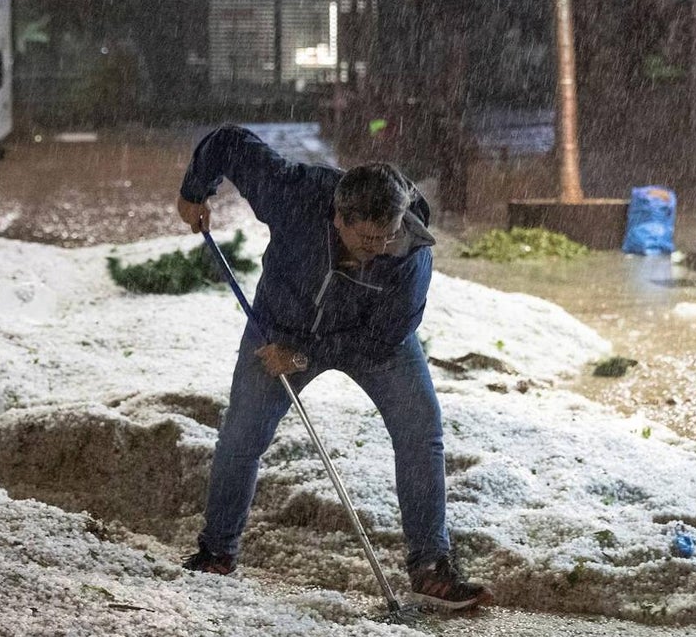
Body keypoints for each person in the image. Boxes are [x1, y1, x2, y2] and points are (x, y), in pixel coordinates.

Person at [176, 124, 492, 611]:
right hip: (281, 327)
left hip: (373, 341)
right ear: (337, 217)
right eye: (366, 238)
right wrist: (194, 191)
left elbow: (380, 340)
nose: (377, 249)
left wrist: (304, 356)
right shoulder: (295, 192)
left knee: (420, 430)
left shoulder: (409, 254)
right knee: (242, 435)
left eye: (386, 236)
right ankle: (217, 551)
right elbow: (229, 142)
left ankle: (430, 567)